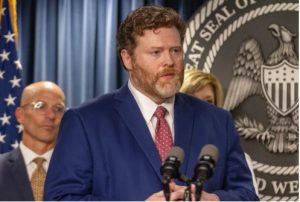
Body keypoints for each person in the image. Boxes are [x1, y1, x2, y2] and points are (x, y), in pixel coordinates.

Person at [44, 5, 259, 201]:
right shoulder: (86, 122)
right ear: (128, 59)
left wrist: (214, 200)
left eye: (175, 51)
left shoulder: (217, 120)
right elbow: (60, 198)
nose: (169, 61)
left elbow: (247, 195)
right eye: (156, 52)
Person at [180, 68, 259, 195]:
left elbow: (247, 196)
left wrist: (214, 199)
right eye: (192, 100)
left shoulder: (237, 158)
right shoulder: (165, 140)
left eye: (208, 102)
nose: (202, 108)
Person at [0, 81, 66, 201]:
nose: (51, 115)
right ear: (20, 115)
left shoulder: (80, 171)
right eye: (40, 106)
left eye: (58, 109)